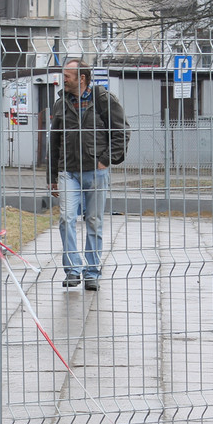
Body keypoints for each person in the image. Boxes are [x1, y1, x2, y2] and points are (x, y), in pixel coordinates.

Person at [49, 59, 130, 292]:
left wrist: (106, 159)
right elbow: (53, 142)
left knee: (93, 221)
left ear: (81, 78)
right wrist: (52, 176)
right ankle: (73, 270)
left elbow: (122, 132)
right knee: (66, 219)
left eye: (67, 75)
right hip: (68, 171)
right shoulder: (60, 103)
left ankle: (92, 272)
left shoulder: (103, 100)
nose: (63, 79)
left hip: (96, 171)